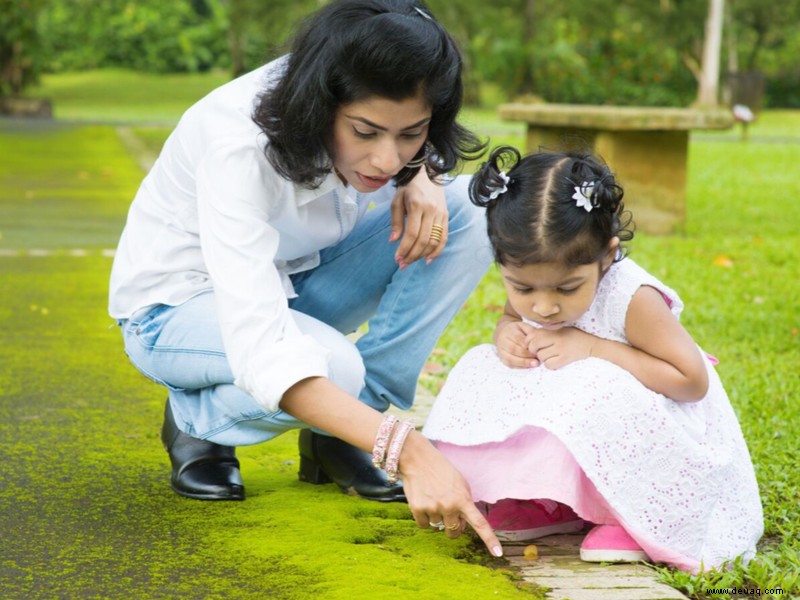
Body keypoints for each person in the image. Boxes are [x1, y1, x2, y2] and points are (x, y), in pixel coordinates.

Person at [109, 0, 502, 557]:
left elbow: (402, 40)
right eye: (365, 132)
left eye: (410, 133)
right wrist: (409, 451)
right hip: (175, 309)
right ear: (322, 103)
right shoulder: (238, 146)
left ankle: (340, 433)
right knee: (331, 369)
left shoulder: (370, 87)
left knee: (468, 209)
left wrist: (424, 173)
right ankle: (195, 417)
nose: (387, 159)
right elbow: (261, 342)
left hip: (290, 283)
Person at [422, 145, 764, 572]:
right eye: (524, 288)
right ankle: (551, 500)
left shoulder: (631, 298)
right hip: (591, 415)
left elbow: (692, 381)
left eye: (566, 289)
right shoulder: (534, 282)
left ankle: (627, 516)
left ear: (607, 254)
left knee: (595, 381)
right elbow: (515, 319)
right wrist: (507, 333)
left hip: (662, 430)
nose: (543, 307)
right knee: (484, 365)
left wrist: (593, 349)